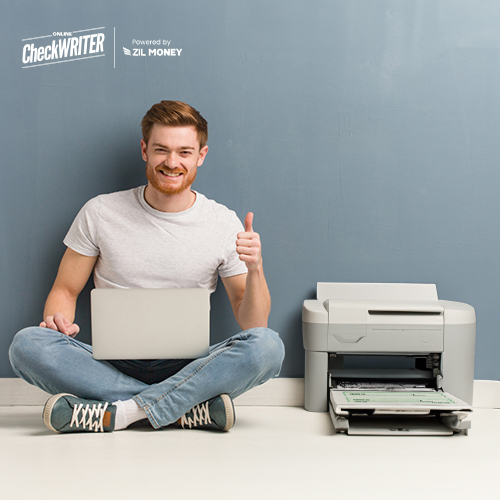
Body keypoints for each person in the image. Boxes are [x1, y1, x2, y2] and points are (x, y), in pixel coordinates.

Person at [9, 100, 284, 434]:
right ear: (144, 150)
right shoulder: (100, 212)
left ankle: (122, 412)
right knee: (27, 345)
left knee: (268, 347)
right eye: (161, 150)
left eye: (184, 152)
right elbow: (66, 290)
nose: (172, 162)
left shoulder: (223, 222)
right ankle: (182, 410)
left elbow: (253, 323)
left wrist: (255, 268)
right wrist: (58, 322)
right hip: (108, 364)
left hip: (191, 367)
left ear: (201, 155)